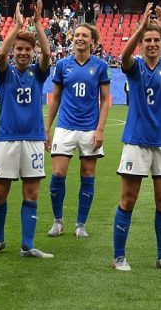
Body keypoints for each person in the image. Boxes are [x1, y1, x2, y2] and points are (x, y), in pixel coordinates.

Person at [112, 4, 161, 272]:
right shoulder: (135, 68)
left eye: (157, 40)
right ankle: (119, 256)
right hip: (136, 141)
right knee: (128, 200)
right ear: (141, 44)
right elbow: (123, 58)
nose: (152, 44)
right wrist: (141, 28)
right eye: (148, 40)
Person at [0, 0, 54, 259]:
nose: (23, 53)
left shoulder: (38, 73)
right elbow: (0, 55)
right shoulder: (5, 73)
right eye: (19, 49)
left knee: (31, 191)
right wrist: (17, 26)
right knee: (0, 191)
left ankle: (27, 245)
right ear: (14, 51)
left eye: (27, 49)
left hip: (33, 138)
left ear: (32, 53)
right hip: (7, 139)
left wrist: (37, 25)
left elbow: (48, 55)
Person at [44, 22, 112, 239]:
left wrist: (100, 129)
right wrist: (47, 128)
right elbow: (55, 99)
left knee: (88, 175)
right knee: (57, 173)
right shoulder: (63, 65)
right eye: (77, 35)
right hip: (65, 127)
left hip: (89, 129)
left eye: (85, 35)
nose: (79, 38)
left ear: (93, 40)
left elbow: (105, 100)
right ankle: (57, 221)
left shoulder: (100, 66)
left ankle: (80, 224)